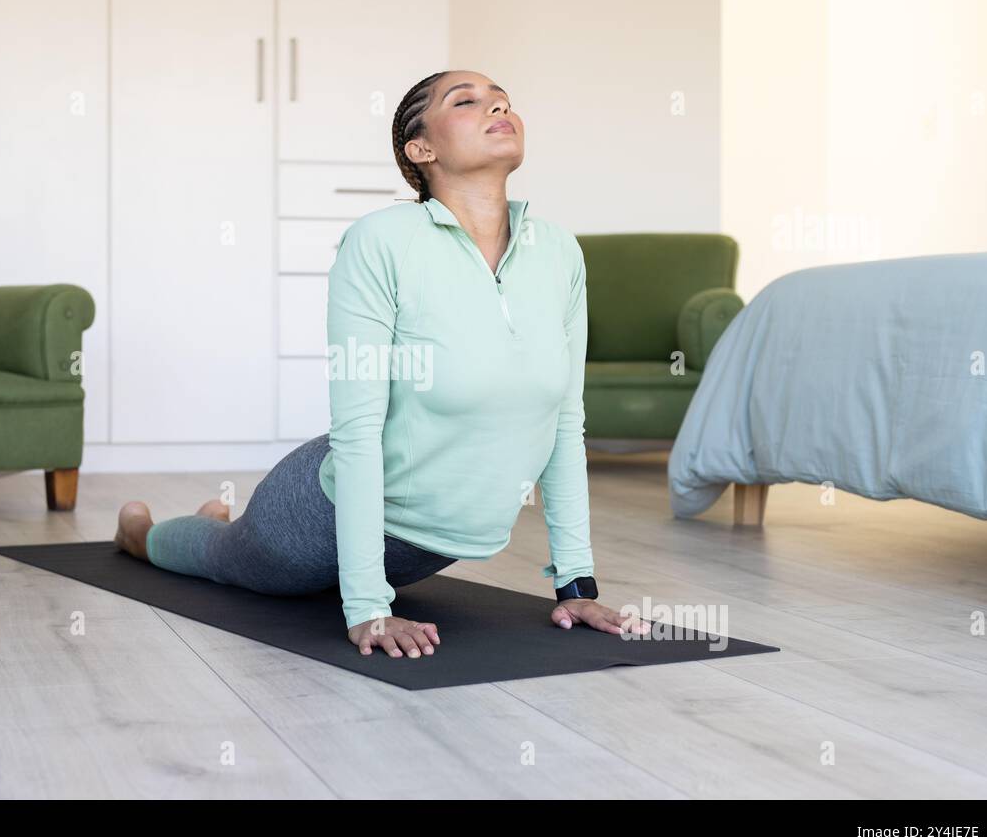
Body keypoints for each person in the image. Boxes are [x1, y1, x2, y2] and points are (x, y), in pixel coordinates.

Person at [115, 69, 649, 659]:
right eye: (466, 101)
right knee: (223, 559)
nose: (497, 106)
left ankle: (213, 520)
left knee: (228, 540)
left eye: (503, 100)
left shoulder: (558, 252)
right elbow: (358, 428)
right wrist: (369, 606)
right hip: (316, 520)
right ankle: (142, 535)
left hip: (428, 548)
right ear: (421, 150)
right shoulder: (381, 241)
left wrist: (577, 586)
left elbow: (565, 422)